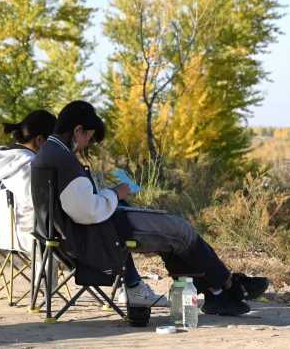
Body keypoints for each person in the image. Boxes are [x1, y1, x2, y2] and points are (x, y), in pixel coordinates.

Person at [31, 100, 268, 316]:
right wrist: (115, 193)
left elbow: (78, 205)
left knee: (174, 237)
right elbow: (87, 211)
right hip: (98, 235)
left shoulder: (47, 155)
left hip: (79, 235)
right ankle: (228, 285)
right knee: (180, 230)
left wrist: (107, 194)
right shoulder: (63, 160)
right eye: (89, 138)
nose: (87, 144)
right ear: (78, 130)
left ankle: (217, 292)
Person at [0, 110, 57, 252]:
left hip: (6, 237)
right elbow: (42, 205)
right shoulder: (32, 166)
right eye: (53, 142)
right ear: (40, 140)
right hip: (35, 240)